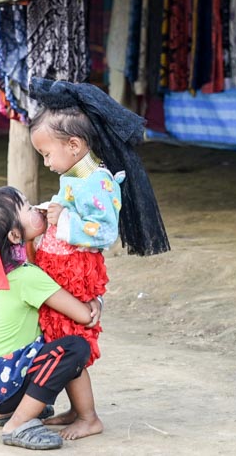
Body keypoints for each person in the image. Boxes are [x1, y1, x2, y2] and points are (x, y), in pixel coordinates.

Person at [23, 77, 170, 432]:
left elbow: (104, 231)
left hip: (77, 275)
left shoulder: (98, 182)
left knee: (70, 347)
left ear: (73, 144)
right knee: (63, 344)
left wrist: (66, 219)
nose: (45, 163)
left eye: (46, 154)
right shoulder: (76, 175)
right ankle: (77, 410)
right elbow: (70, 209)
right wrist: (52, 211)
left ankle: (89, 418)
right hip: (64, 272)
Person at [0, 186, 102, 450]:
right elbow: (83, 316)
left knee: (57, 344)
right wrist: (96, 301)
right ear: (14, 235)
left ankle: (7, 414)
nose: (37, 208)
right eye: (26, 207)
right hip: (2, 382)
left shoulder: (0, 271)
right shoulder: (27, 278)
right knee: (74, 347)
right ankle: (18, 423)